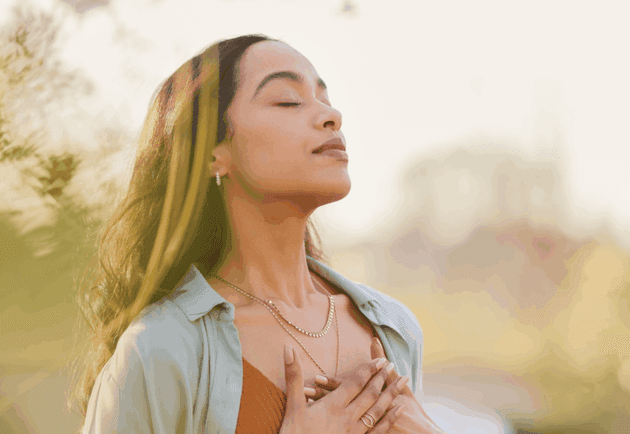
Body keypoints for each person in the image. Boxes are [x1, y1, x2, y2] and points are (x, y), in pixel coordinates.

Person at [68, 34, 444, 433]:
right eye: (287, 100)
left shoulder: (394, 329)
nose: (331, 116)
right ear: (214, 152)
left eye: (324, 98)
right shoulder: (161, 349)